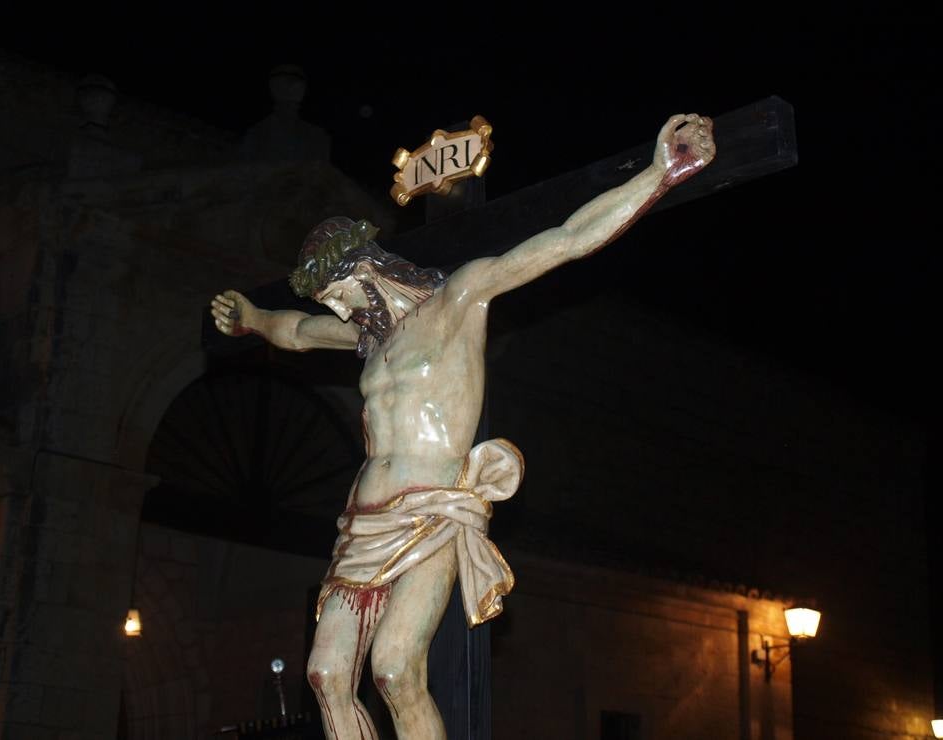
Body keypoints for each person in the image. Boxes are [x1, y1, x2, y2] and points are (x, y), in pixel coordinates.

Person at [211, 114, 716, 739]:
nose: (337, 309)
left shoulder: (459, 299)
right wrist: (252, 319)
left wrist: (658, 174)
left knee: (395, 670)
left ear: (366, 269)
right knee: (325, 675)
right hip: (363, 519)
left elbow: (566, 239)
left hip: (433, 507)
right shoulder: (367, 339)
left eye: (339, 293)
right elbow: (294, 331)